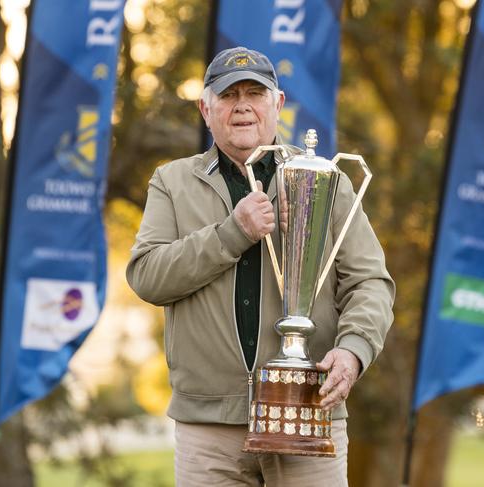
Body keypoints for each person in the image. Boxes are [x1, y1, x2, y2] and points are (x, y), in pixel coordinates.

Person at [127, 46, 395, 486]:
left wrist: (354, 350)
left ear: (279, 104)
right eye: (229, 95)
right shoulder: (171, 182)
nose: (243, 106)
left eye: (255, 93)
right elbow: (147, 276)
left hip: (309, 413)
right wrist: (233, 232)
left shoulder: (326, 179)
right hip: (208, 428)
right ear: (205, 109)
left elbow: (370, 283)